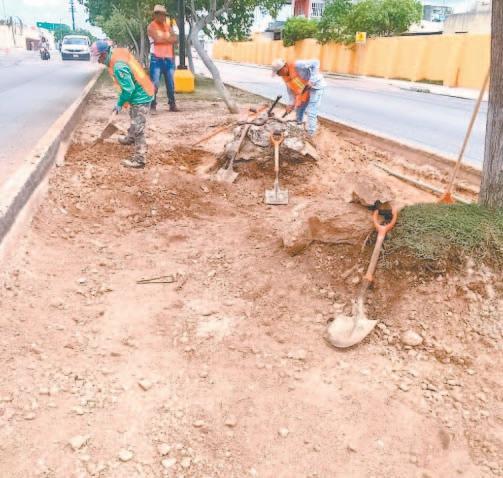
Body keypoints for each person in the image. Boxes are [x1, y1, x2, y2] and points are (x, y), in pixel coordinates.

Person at [91, 40, 155, 169]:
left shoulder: (118, 66)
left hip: (141, 95)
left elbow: (128, 90)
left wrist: (119, 104)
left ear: (104, 54)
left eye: (98, 58)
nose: (98, 61)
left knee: (138, 128)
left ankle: (140, 159)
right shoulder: (115, 55)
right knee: (133, 116)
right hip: (140, 90)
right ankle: (130, 138)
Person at [271, 58, 326, 136]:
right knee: (299, 107)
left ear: (284, 66)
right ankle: (298, 124)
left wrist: (312, 80)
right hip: (304, 89)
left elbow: (316, 62)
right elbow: (291, 92)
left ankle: (311, 134)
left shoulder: (298, 65)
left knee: (311, 111)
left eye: (278, 72)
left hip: (316, 86)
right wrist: (291, 104)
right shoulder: (285, 77)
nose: (278, 75)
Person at [147, 4, 179, 112]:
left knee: (171, 84)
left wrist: (163, 39)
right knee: (154, 83)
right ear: (156, 15)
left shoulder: (167, 26)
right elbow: (157, 40)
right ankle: (152, 105)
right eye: (161, 15)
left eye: (164, 15)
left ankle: (172, 104)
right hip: (156, 59)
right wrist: (168, 39)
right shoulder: (151, 26)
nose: (163, 17)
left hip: (169, 59)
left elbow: (175, 39)